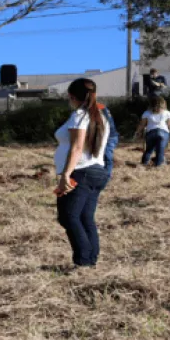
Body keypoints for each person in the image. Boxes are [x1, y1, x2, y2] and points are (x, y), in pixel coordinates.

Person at [54, 78, 111, 268]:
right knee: (85, 217)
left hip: (80, 172)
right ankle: (91, 260)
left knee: (68, 216)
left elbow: (77, 147)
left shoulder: (79, 115)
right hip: (97, 171)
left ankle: (84, 261)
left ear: (71, 96)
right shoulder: (101, 116)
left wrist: (65, 174)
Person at [134, 96, 170, 167]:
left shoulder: (146, 113)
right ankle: (158, 166)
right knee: (160, 151)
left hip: (151, 133)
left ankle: (144, 164)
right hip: (163, 133)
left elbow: (142, 125)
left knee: (149, 150)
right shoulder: (167, 113)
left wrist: (137, 132)